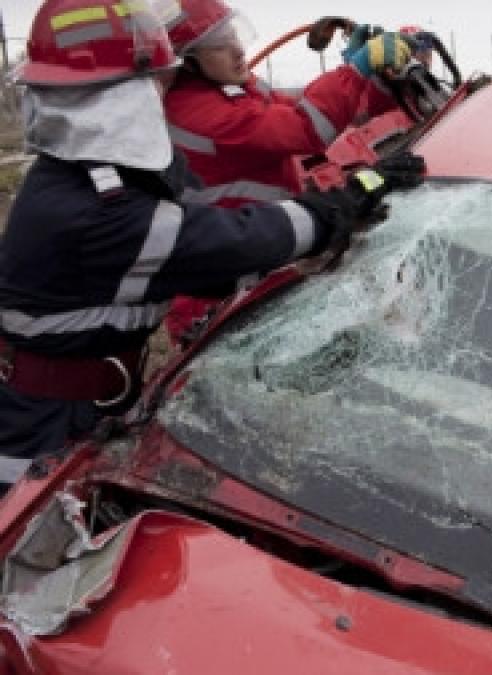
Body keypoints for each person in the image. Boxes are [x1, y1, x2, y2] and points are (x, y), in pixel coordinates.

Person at [0, 0, 425, 489]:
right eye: (157, 81)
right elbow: (231, 242)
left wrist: (362, 86)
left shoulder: (78, 180)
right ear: (119, 98)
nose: (164, 94)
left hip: (75, 408)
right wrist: (347, 201)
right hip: (36, 438)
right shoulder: (100, 211)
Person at [162, 0, 414, 341]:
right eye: (220, 45)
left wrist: (372, 81)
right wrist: (356, 70)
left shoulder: (232, 91)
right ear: (187, 60)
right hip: (219, 299)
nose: (238, 51)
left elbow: (306, 107)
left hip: (259, 262)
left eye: (235, 35)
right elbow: (307, 127)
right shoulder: (202, 115)